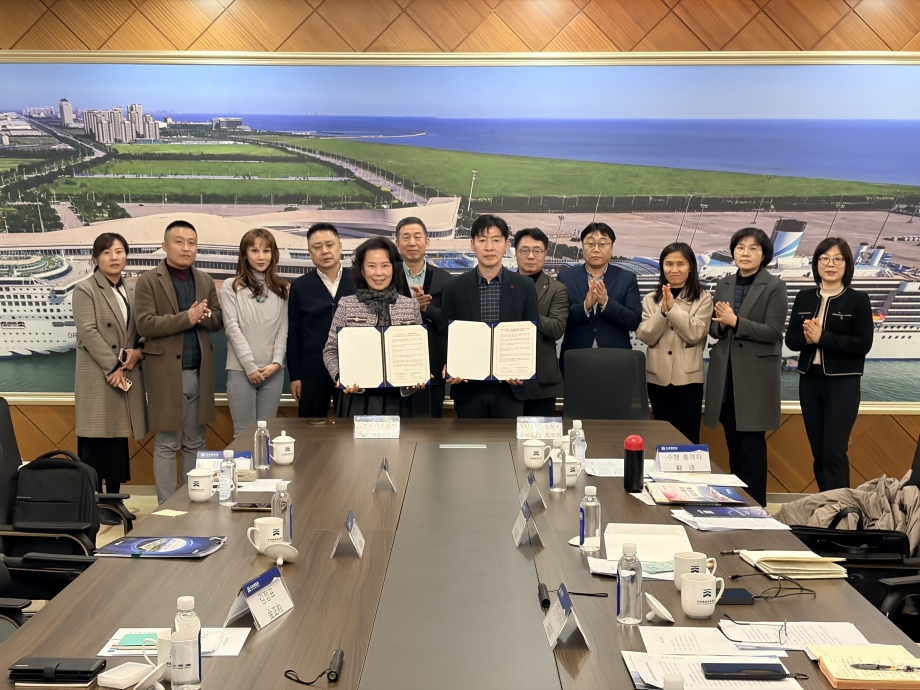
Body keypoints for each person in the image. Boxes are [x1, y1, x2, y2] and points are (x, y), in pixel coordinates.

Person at [135, 220, 223, 503]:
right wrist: (186, 318)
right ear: (165, 246)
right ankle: (166, 506)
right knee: (167, 442)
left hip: (200, 372)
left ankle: (192, 501)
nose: (186, 248)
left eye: (192, 243)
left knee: (196, 441)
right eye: (179, 242)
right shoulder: (149, 280)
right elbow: (145, 324)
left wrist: (205, 316)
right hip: (166, 375)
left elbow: (218, 320)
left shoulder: (205, 280)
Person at [704, 228, 787, 506]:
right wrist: (719, 325)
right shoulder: (724, 283)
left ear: (764, 254)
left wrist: (736, 321)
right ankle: (738, 505)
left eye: (753, 248)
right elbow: (715, 329)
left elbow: (773, 332)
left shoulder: (774, 286)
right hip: (727, 377)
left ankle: (756, 508)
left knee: (751, 448)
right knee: (733, 444)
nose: (745, 253)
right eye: (740, 248)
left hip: (754, 379)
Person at [785, 238, 873, 491]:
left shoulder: (858, 299)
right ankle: (826, 504)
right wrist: (808, 338)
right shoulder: (804, 297)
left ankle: (841, 510)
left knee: (834, 452)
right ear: (816, 264)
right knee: (819, 452)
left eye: (837, 259)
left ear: (847, 265)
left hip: (842, 383)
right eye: (824, 259)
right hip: (810, 381)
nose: (830, 264)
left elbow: (863, 344)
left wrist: (823, 338)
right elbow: (791, 340)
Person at [73, 232, 147, 507]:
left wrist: (139, 351)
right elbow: (88, 332)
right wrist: (113, 365)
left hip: (125, 372)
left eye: (119, 252)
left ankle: (114, 501)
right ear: (95, 258)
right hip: (99, 374)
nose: (114, 258)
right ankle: (94, 504)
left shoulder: (132, 289)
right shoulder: (85, 289)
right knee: (95, 440)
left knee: (117, 441)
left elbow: (141, 327)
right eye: (106, 252)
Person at [442, 214, 540, 418]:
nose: (489, 247)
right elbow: (446, 334)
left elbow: (534, 334)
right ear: (472, 244)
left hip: (510, 388)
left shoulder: (524, 285)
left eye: (496, 240)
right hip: (468, 387)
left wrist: (523, 368)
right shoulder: (453, 287)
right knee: (469, 439)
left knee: (508, 439)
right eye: (482, 240)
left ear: (506, 245)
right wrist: (449, 364)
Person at [323, 237, 427, 417]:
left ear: (394, 268)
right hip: (357, 398)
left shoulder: (410, 306)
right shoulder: (347, 305)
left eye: (385, 265)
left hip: (400, 400)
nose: (379, 273)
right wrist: (341, 376)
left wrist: (420, 373)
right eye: (371, 266)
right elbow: (330, 350)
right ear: (362, 271)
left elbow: (419, 352)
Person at [636, 242, 712, 444]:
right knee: (661, 437)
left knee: (688, 436)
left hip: (688, 379)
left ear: (691, 267)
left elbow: (695, 333)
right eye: (669, 264)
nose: (674, 269)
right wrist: (662, 312)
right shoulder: (651, 299)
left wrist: (672, 310)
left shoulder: (703, 298)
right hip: (657, 378)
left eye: (680, 264)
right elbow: (646, 335)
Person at [221, 228, 289, 438]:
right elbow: (232, 328)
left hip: (273, 372)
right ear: (245, 254)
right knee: (244, 434)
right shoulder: (231, 286)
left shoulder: (282, 289)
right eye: (254, 250)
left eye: (266, 251)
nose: (261, 257)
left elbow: (283, 329)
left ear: (273, 254)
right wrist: (250, 366)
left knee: (266, 434)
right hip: (241, 370)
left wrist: (277, 362)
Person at [288, 223, 356, 418]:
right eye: (317, 247)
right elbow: (294, 335)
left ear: (340, 247)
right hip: (312, 371)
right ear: (310, 253)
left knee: (351, 427)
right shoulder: (300, 286)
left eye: (329, 245)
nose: (324, 251)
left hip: (353, 368)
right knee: (311, 428)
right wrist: (295, 376)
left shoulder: (359, 280)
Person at [557, 222, 641, 370]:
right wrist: (585, 307)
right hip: (576, 359)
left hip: (616, 360)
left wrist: (606, 303)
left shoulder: (627, 278)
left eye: (602, 244)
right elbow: (560, 318)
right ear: (583, 246)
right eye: (590, 244)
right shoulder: (565, 278)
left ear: (611, 247)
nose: (596, 249)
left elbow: (633, 320)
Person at [394, 216, 451, 417]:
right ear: (397, 244)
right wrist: (411, 306)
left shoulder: (446, 280)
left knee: (429, 429)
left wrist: (426, 309)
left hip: (433, 370)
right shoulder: (386, 277)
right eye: (406, 237)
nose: (412, 242)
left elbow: (451, 323)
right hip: (395, 368)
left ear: (427, 242)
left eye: (417, 237)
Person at [513, 228, 568, 416]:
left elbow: (557, 328)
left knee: (540, 434)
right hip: (505, 378)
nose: (531, 256)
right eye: (524, 250)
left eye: (537, 251)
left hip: (542, 381)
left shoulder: (557, 289)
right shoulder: (501, 284)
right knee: (504, 432)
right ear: (516, 253)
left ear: (545, 254)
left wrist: (527, 313)